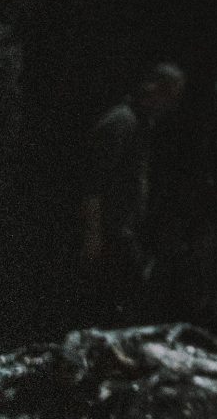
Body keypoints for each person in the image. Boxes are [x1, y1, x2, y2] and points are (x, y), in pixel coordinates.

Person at [80, 61, 186, 323]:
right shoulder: (121, 122)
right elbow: (92, 182)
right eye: (169, 96)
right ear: (154, 89)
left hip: (122, 231)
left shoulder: (140, 125)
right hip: (108, 231)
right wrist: (93, 235)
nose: (170, 106)